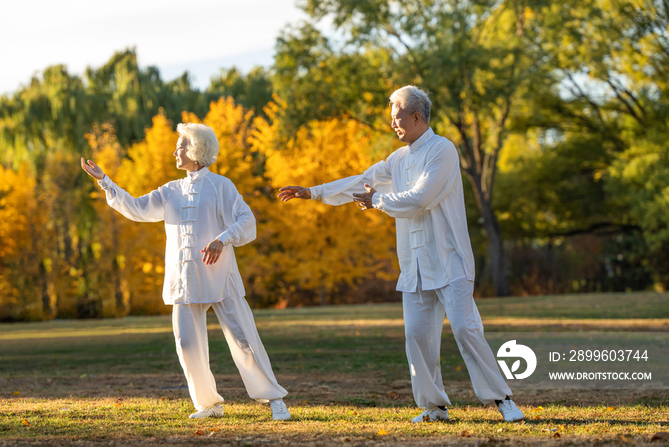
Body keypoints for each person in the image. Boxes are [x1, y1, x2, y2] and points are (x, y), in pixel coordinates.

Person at [278, 85, 524, 423]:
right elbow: (362, 181)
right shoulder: (397, 160)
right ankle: (435, 407)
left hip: (449, 260)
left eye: (397, 118)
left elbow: (420, 198)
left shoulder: (443, 151)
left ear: (416, 116)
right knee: (416, 337)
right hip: (415, 266)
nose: (393, 124)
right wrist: (313, 192)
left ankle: (502, 399)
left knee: (467, 331)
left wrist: (376, 201)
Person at [81, 123, 291, 421]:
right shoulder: (171, 190)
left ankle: (274, 400)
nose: (174, 151)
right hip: (184, 279)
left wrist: (223, 238)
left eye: (180, 146)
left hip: (221, 277)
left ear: (195, 150)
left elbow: (247, 219)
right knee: (186, 344)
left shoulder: (221, 185)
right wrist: (105, 182)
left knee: (244, 341)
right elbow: (138, 208)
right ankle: (208, 404)